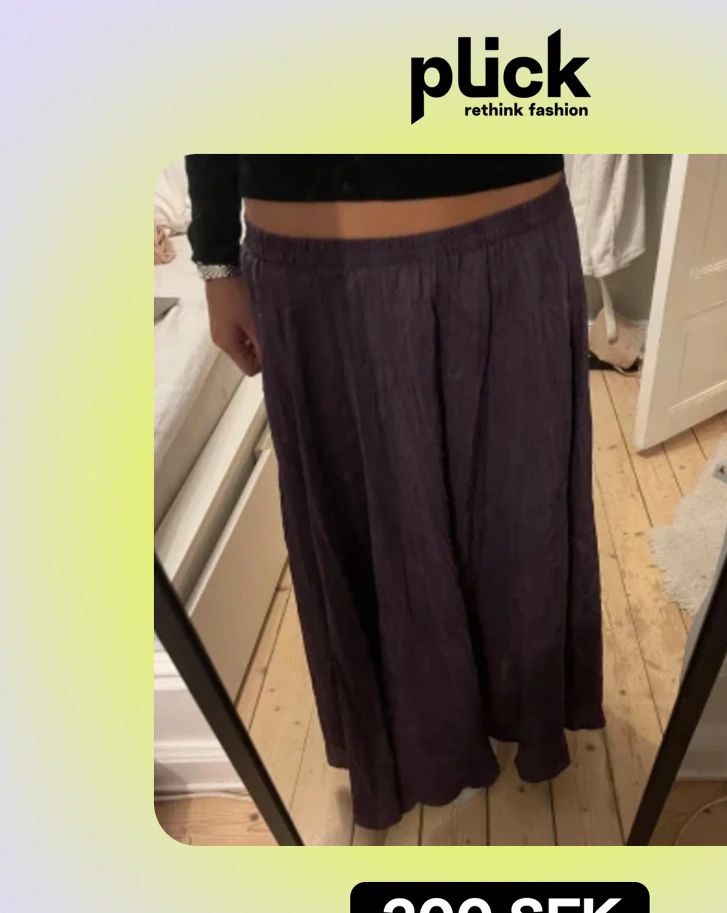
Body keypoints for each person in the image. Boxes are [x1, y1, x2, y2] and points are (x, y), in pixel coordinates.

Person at [186, 154, 604, 830]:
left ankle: (509, 710)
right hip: (312, 262)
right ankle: (425, 741)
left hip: (510, 226)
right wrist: (214, 258)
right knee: (370, 523)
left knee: (518, 515)